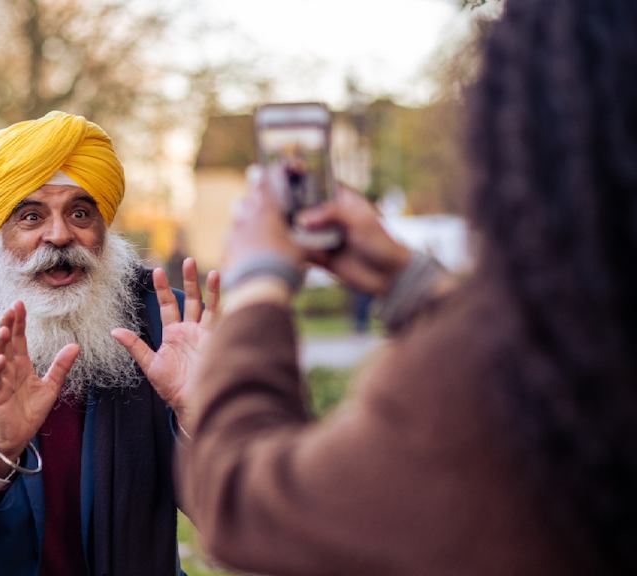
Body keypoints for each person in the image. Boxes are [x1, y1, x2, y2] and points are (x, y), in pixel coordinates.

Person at [182, 1, 637, 574]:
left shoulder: (479, 386)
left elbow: (240, 503)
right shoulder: (593, 341)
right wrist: (413, 283)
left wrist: (258, 281)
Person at [0, 110, 218, 575]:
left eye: (81, 213)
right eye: (31, 216)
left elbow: (239, 526)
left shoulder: (168, 325)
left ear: (104, 229)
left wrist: (197, 420)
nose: (59, 235)